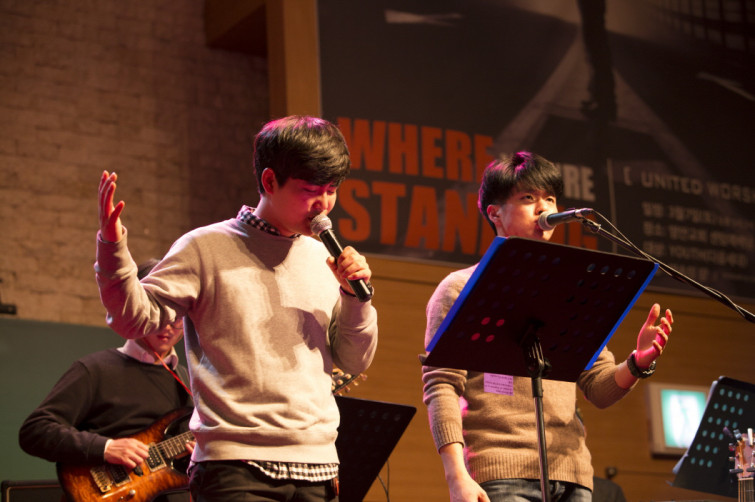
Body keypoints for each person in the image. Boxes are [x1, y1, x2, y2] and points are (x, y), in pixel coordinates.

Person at [94, 115, 379, 502]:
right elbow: (133, 319)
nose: (324, 205)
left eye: (332, 190)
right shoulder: (205, 247)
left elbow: (355, 359)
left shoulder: (322, 258)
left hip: (319, 467)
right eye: (311, 190)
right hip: (235, 468)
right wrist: (112, 248)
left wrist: (355, 298)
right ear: (269, 181)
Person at [421, 152, 673, 502]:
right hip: (501, 473)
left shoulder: (572, 290)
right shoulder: (460, 287)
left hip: (573, 477)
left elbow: (598, 388)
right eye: (528, 198)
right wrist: (456, 475)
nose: (544, 208)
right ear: (495, 213)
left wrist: (638, 363)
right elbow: (441, 385)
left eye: (550, 199)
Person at [19, 258, 194, 502]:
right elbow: (35, 431)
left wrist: (198, 455)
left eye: (177, 315)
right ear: (136, 309)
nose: (168, 325)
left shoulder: (190, 381)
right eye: (158, 311)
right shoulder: (94, 370)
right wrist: (106, 448)